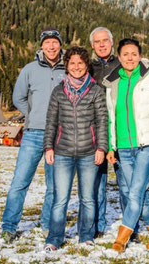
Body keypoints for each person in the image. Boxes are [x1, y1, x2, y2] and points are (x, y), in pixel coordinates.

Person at [1, 28, 66, 243]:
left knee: (54, 185)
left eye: (54, 42)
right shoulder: (29, 69)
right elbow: (18, 98)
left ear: (60, 45)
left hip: (58, 136)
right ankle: (9, 226)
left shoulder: (68, 69)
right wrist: (34, 116)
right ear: (41, 46)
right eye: (47, 43)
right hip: (33, 134)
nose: (51, 46)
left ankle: (47, 225)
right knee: (20, 182)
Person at [103, 38, 149, 253]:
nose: (130, 58)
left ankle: (121, 238)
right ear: (119, 57)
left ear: (140, 56)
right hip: (123, 148)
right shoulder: (112, 83)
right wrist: (111, 147)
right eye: (125, 54)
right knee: (136, 191)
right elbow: (111, 117)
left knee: (135, 191)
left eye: (134, 54)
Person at [43, 46, 108, 251]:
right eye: (72, 63)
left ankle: (86, 236)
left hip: (89, 153)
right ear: (67, 65)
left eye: (80, 63)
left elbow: (102, 122)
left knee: (88, 198)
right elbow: (51, 122)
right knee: (59, 198)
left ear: (86, 65)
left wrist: (101, 148)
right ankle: (54, 238)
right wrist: (48, 147)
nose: (77, 67)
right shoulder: (59, 91)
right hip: (62, 152)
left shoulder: (95, 90)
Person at [89, 27, 139, 241]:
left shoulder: (122, 64)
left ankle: (131, 228)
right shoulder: (87, 67)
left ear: (111, 42)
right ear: (92, 45)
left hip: (119, 132)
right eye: (97, 42)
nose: (101, 45)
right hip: (94, 132)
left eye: (105, 40)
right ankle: (98, 227)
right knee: (96, 184)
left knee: (126, 184)